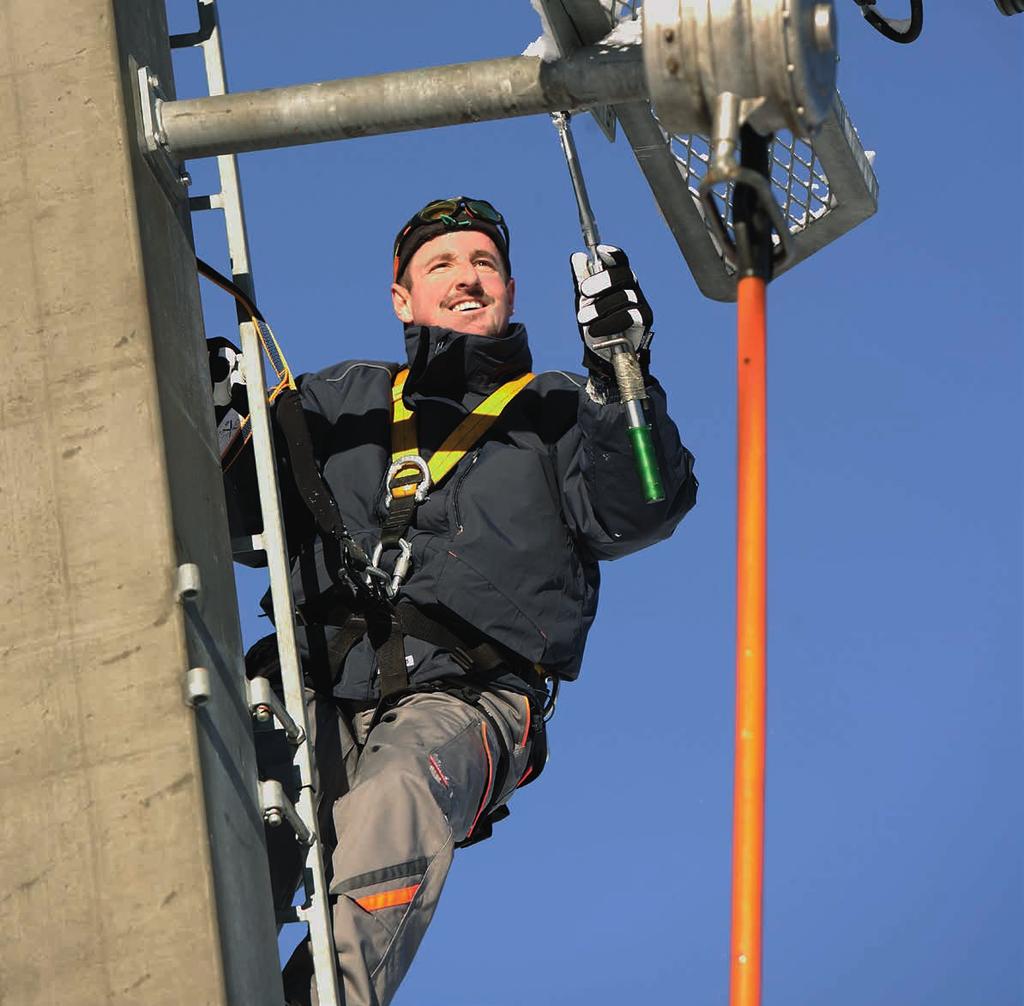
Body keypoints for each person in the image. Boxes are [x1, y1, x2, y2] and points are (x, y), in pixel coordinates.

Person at [214, 196, 698, 1005]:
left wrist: (624, 375)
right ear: (402, 298)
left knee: (396, 794)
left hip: (469, 695)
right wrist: (215, 414)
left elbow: (644, 503)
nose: (467, 278)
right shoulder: (339, 401)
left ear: (509, 291)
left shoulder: (557, 412)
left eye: (485, 266)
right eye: (442, 265)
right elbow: (233, 512)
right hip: (313, 685)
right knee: (224, 788)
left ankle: (320, 998)